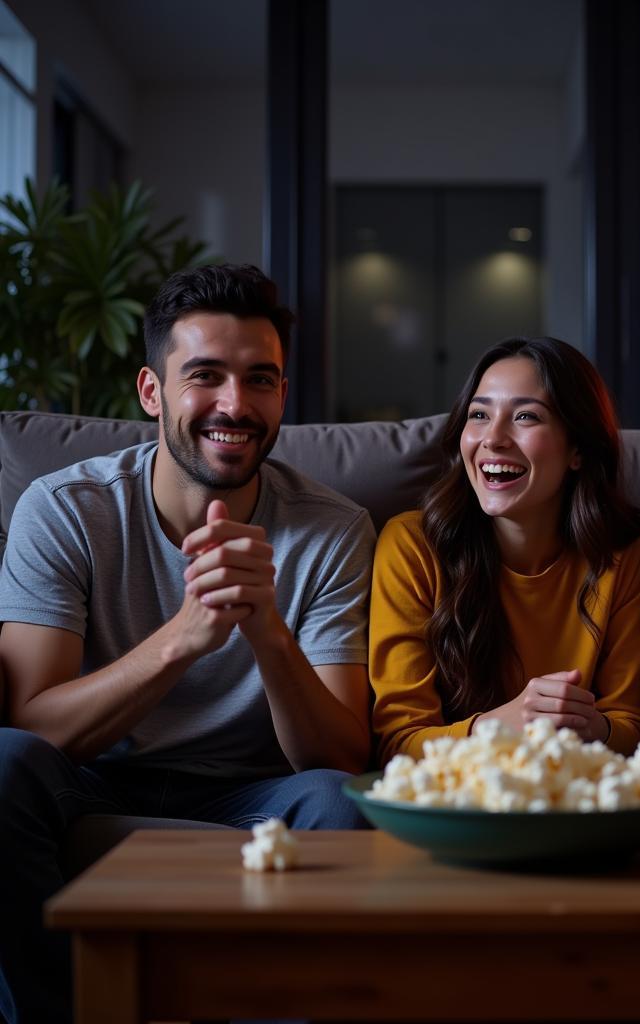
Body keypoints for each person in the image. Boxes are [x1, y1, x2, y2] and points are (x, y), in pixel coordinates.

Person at [0, 263, 375, 1023]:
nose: (234, 405)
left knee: (341, 804)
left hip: (255, 791)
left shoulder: (334, 529)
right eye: (205, 375)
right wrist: (185, 636)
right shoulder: (68, 509)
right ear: (151, 392)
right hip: (95, 780)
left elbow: (340, 758)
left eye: (259, 380)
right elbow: (32, 724)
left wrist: (266, 629)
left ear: (282, 395)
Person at [370, 336, 640, 763]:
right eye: (479, 415)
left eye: (525, 416)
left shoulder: (621, 551)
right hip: (451, 804)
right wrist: (500, 726)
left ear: (578, 449)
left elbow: (632, 724)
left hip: (573, 792)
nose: (494, 438)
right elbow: (397, 742)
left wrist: (592, 726)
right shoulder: (411, 546)